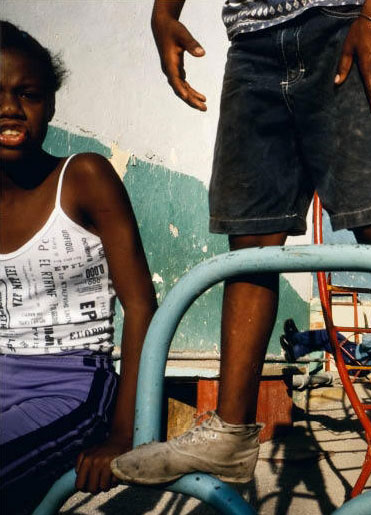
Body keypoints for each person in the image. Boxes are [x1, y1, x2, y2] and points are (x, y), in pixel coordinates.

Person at [111, 0, 371, 504]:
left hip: (344, 23)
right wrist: (163, 12)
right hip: (251, 44)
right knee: (250, 242)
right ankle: (229, 435)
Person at [0, 21, 157, 513]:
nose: (9, 108)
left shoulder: (84, 176)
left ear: (50, 105)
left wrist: (123, 431)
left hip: (72, 384)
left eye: (27, 94)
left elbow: (140, 305)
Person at [279, 318, 371, 367]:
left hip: (353, 357)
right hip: (353, 355)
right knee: (324, 341)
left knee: (328, 334)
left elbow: (366, 341)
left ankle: (294, 337)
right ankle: (295, 352)